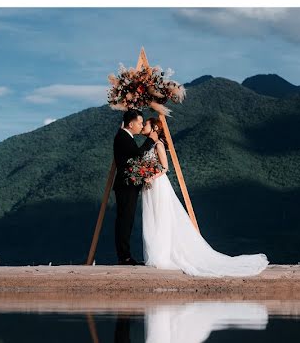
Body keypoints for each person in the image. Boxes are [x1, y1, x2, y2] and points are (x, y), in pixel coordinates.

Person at [139, 117, 269, 277]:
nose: (143, 125)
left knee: (161, 218)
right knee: (151, 218)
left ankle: (161, 255)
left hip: (158, 185)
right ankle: (155, 254)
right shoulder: (149, 145)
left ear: (155, 129)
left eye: (146, 124)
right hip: (150, 187)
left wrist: (151, 177)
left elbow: (165, 168)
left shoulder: (158, 144)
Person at [112, 110, 159, 265]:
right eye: (139, 123)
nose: (141, 126)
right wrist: (151, 140)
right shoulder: (123, 137)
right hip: (126, 186)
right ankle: (124, 257)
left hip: (128, 186)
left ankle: (125, 256)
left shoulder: (124, 136)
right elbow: (137, 154)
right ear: (131, 124)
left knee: (126, 220)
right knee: (125, 221)